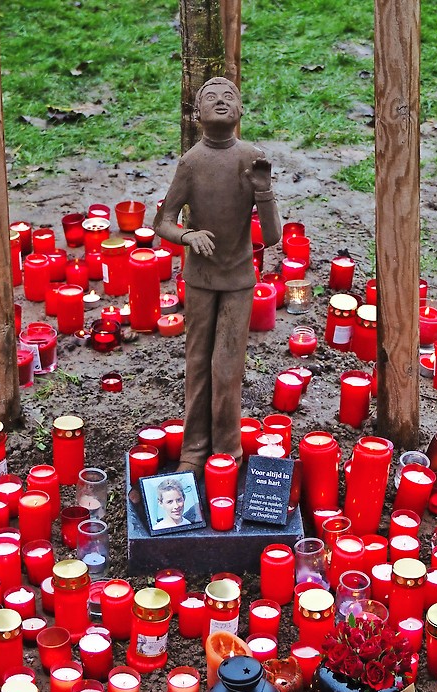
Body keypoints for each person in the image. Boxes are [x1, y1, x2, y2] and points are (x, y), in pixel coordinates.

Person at [154, 76, 282, 472]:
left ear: (241, 110)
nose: (221, 101)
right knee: (197, 364)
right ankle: (193, 453)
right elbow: (163, 221)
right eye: (210, 97)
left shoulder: (251, 157)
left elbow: (273, 235)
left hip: (239, 279)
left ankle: (227, 453)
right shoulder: (191, 162)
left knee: (227, 368)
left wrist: (263, 191)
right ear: (197, 114)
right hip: (200, 280)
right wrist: (188, 236)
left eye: (230, 96)